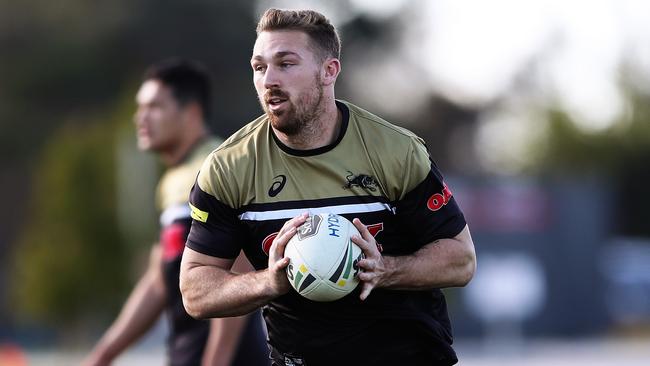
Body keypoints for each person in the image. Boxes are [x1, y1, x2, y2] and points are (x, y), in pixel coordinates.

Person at [180, 9, 476, 366]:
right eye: (260, 67)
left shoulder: (396, 151)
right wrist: (268, 283)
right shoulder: (229, 168)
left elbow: (460, 260)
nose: (269, 79)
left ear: (329, 71)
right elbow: (195, 291)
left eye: (285, 63)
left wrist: (384, 269)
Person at [83, 59, 269, 366]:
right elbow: (161, 278)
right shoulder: (172, 182)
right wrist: (103, 355)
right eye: (140, 107)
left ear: (191, 112)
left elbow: (239, 271)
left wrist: (216, 360)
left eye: (154, 106)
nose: (140, 118)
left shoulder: (216, 169)